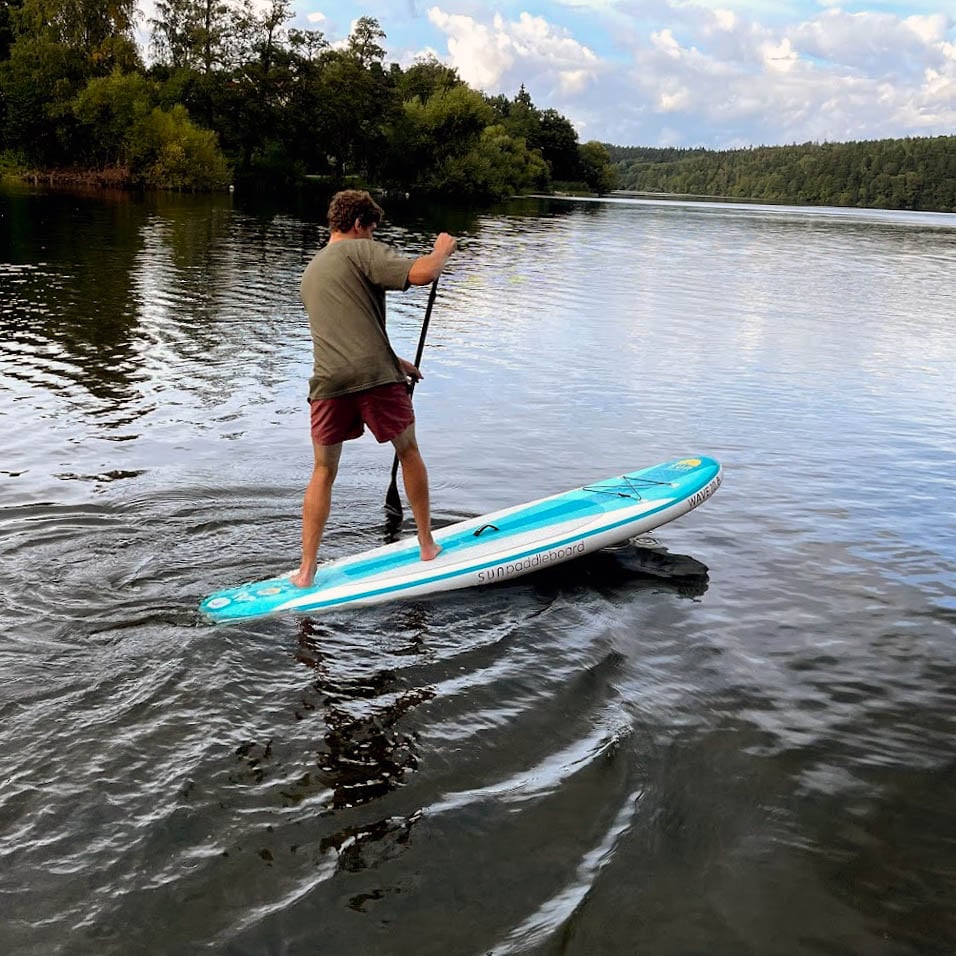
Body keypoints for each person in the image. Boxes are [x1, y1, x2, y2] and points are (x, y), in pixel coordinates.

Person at [290, 190, 457, 588]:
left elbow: (347, 332)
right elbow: (422, 273)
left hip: (327, 382)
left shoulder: (311, 272)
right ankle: (427, 545)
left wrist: (392, 359)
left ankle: (306, 570)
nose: (371, 236)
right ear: (360, 224)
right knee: (409, 450)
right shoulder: (359, 250)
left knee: (323, 470)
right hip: (372, 381)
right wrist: (442, 250)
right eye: (372, 229)